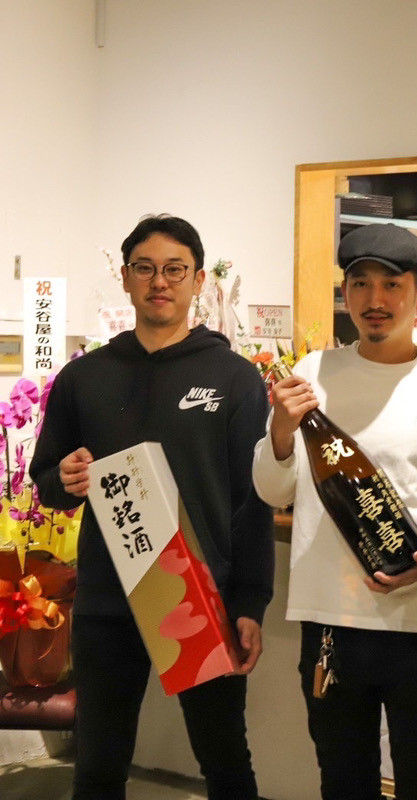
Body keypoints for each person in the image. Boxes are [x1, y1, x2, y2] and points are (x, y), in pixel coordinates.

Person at [31, 214, 274, 799]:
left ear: (198, 281)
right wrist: (64, 478)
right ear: (125, 277)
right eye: (145, 268)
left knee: (225, 762)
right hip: (107, 602)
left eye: (174, 269)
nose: (159, 282)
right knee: (98, 766)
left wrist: (250, 603)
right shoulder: (84, 377)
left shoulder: (234, 378)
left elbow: (252, 500)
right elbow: (47, 480)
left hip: (202, 600)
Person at [251, 223, 417, 800]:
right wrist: (281, 428)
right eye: (360, 283)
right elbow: (273, 490)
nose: (374, 300)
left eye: (392, 285)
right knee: (342, 778)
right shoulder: (312, 373)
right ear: (345, 293)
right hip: (331, 618)